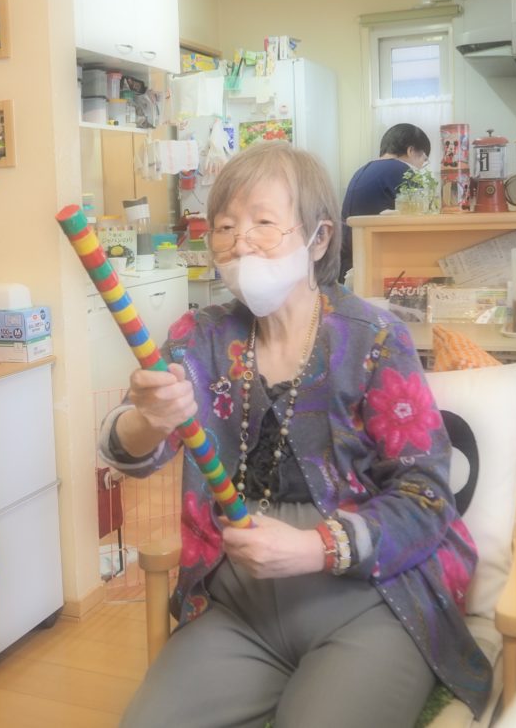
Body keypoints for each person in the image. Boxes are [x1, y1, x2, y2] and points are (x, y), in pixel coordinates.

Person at [98, 141, 487, 728]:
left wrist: (314, 547)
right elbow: (130, 449)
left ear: (319, 239)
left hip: (372, 598)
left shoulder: (375, 338)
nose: (240, 242)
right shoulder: (199, 336)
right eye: (224, 227)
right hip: (238, 607)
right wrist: (146, 419)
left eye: (263, 223)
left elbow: (427, 495)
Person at [339, 123, 431, 279]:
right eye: (424, 158)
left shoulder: (362, 170)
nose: (422, 165)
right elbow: (422, 217)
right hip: (376, 264)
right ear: (410, 150)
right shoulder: (403, 171)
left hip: (349, 263)